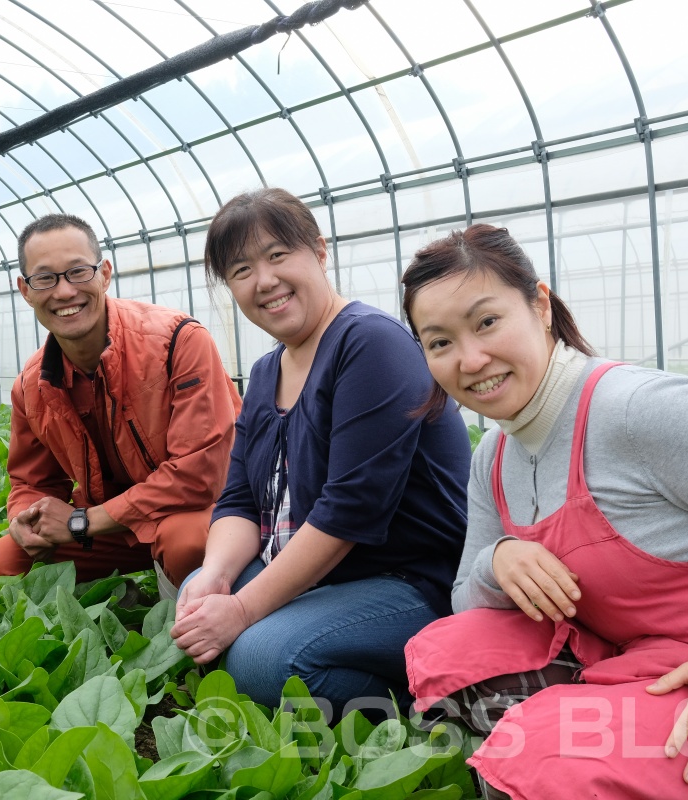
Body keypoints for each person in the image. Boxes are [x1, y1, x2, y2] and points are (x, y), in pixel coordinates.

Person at [401, 223, 688, 799]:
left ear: (540, 305)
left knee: (543, 757)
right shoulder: (495, 458)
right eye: (440, 342)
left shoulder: (636, 412)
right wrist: (497, 560)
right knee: (446, 651)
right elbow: (466, 603)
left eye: (486, 322)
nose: (471, 358)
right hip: (654, 659)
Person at [169, 188, 471, 719]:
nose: (264, 280)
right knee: (197, 589)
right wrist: (217, 575)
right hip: (325, 577)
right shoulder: (266, 373)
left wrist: (241, 609)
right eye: (241, 269)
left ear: (319, 250)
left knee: (261, 661)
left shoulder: (369, 344)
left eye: (278, 255)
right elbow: (239, 500)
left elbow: (348, 513)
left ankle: (434, 706)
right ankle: (306, 658)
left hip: (410, 584)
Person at [0, 214, 241, 590]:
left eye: (78, 272)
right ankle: (118, 597)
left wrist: (80, 522)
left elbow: (200, 477)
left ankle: (206, 620)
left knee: (186, 543)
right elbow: (30, 481)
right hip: (112, 525)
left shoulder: (178, 340)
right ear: (25, 289)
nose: (64, 292)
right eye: (45, 278)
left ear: (105, 274)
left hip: (198, 512)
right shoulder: (30, 386)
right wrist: (25, 516)